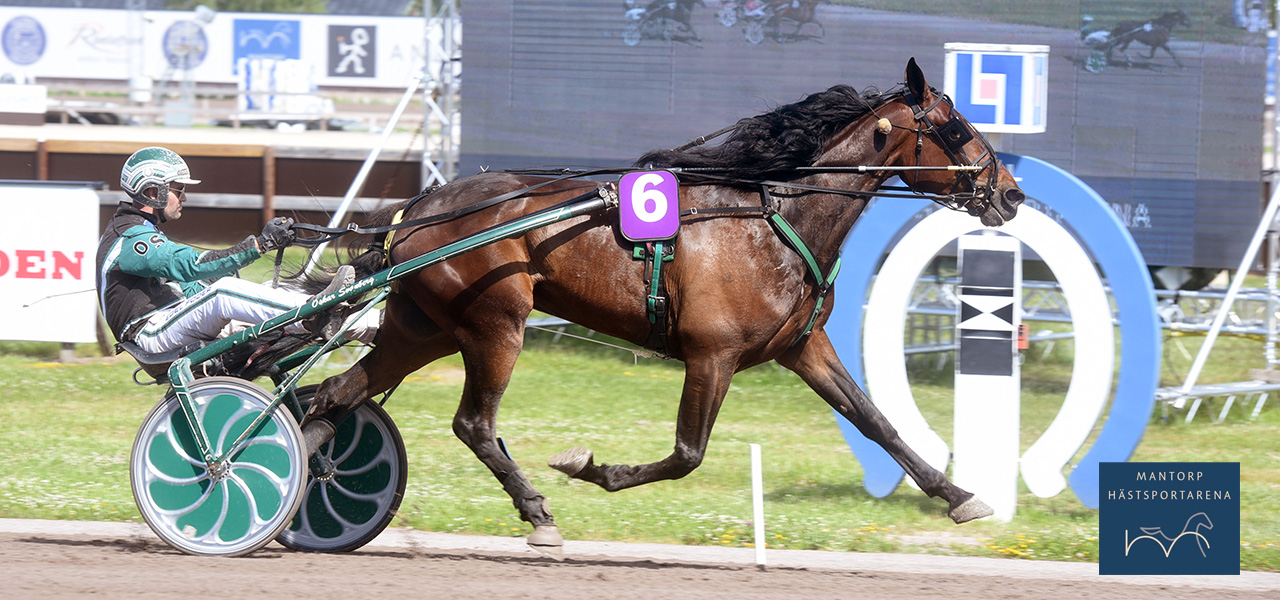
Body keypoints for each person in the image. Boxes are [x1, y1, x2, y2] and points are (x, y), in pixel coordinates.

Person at [96, 146, 377, 357]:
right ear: (151, 192)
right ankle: (316, 312)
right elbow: (188, 265)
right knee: (225, 293)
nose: (184, 197)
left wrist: (222, 274)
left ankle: (375, 324)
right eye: (178, 190)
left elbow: (191, 287)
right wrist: (259, 245)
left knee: (266, 290)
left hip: (171, 320)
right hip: (150, 333)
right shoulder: (131, 238)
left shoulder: (141, 231)